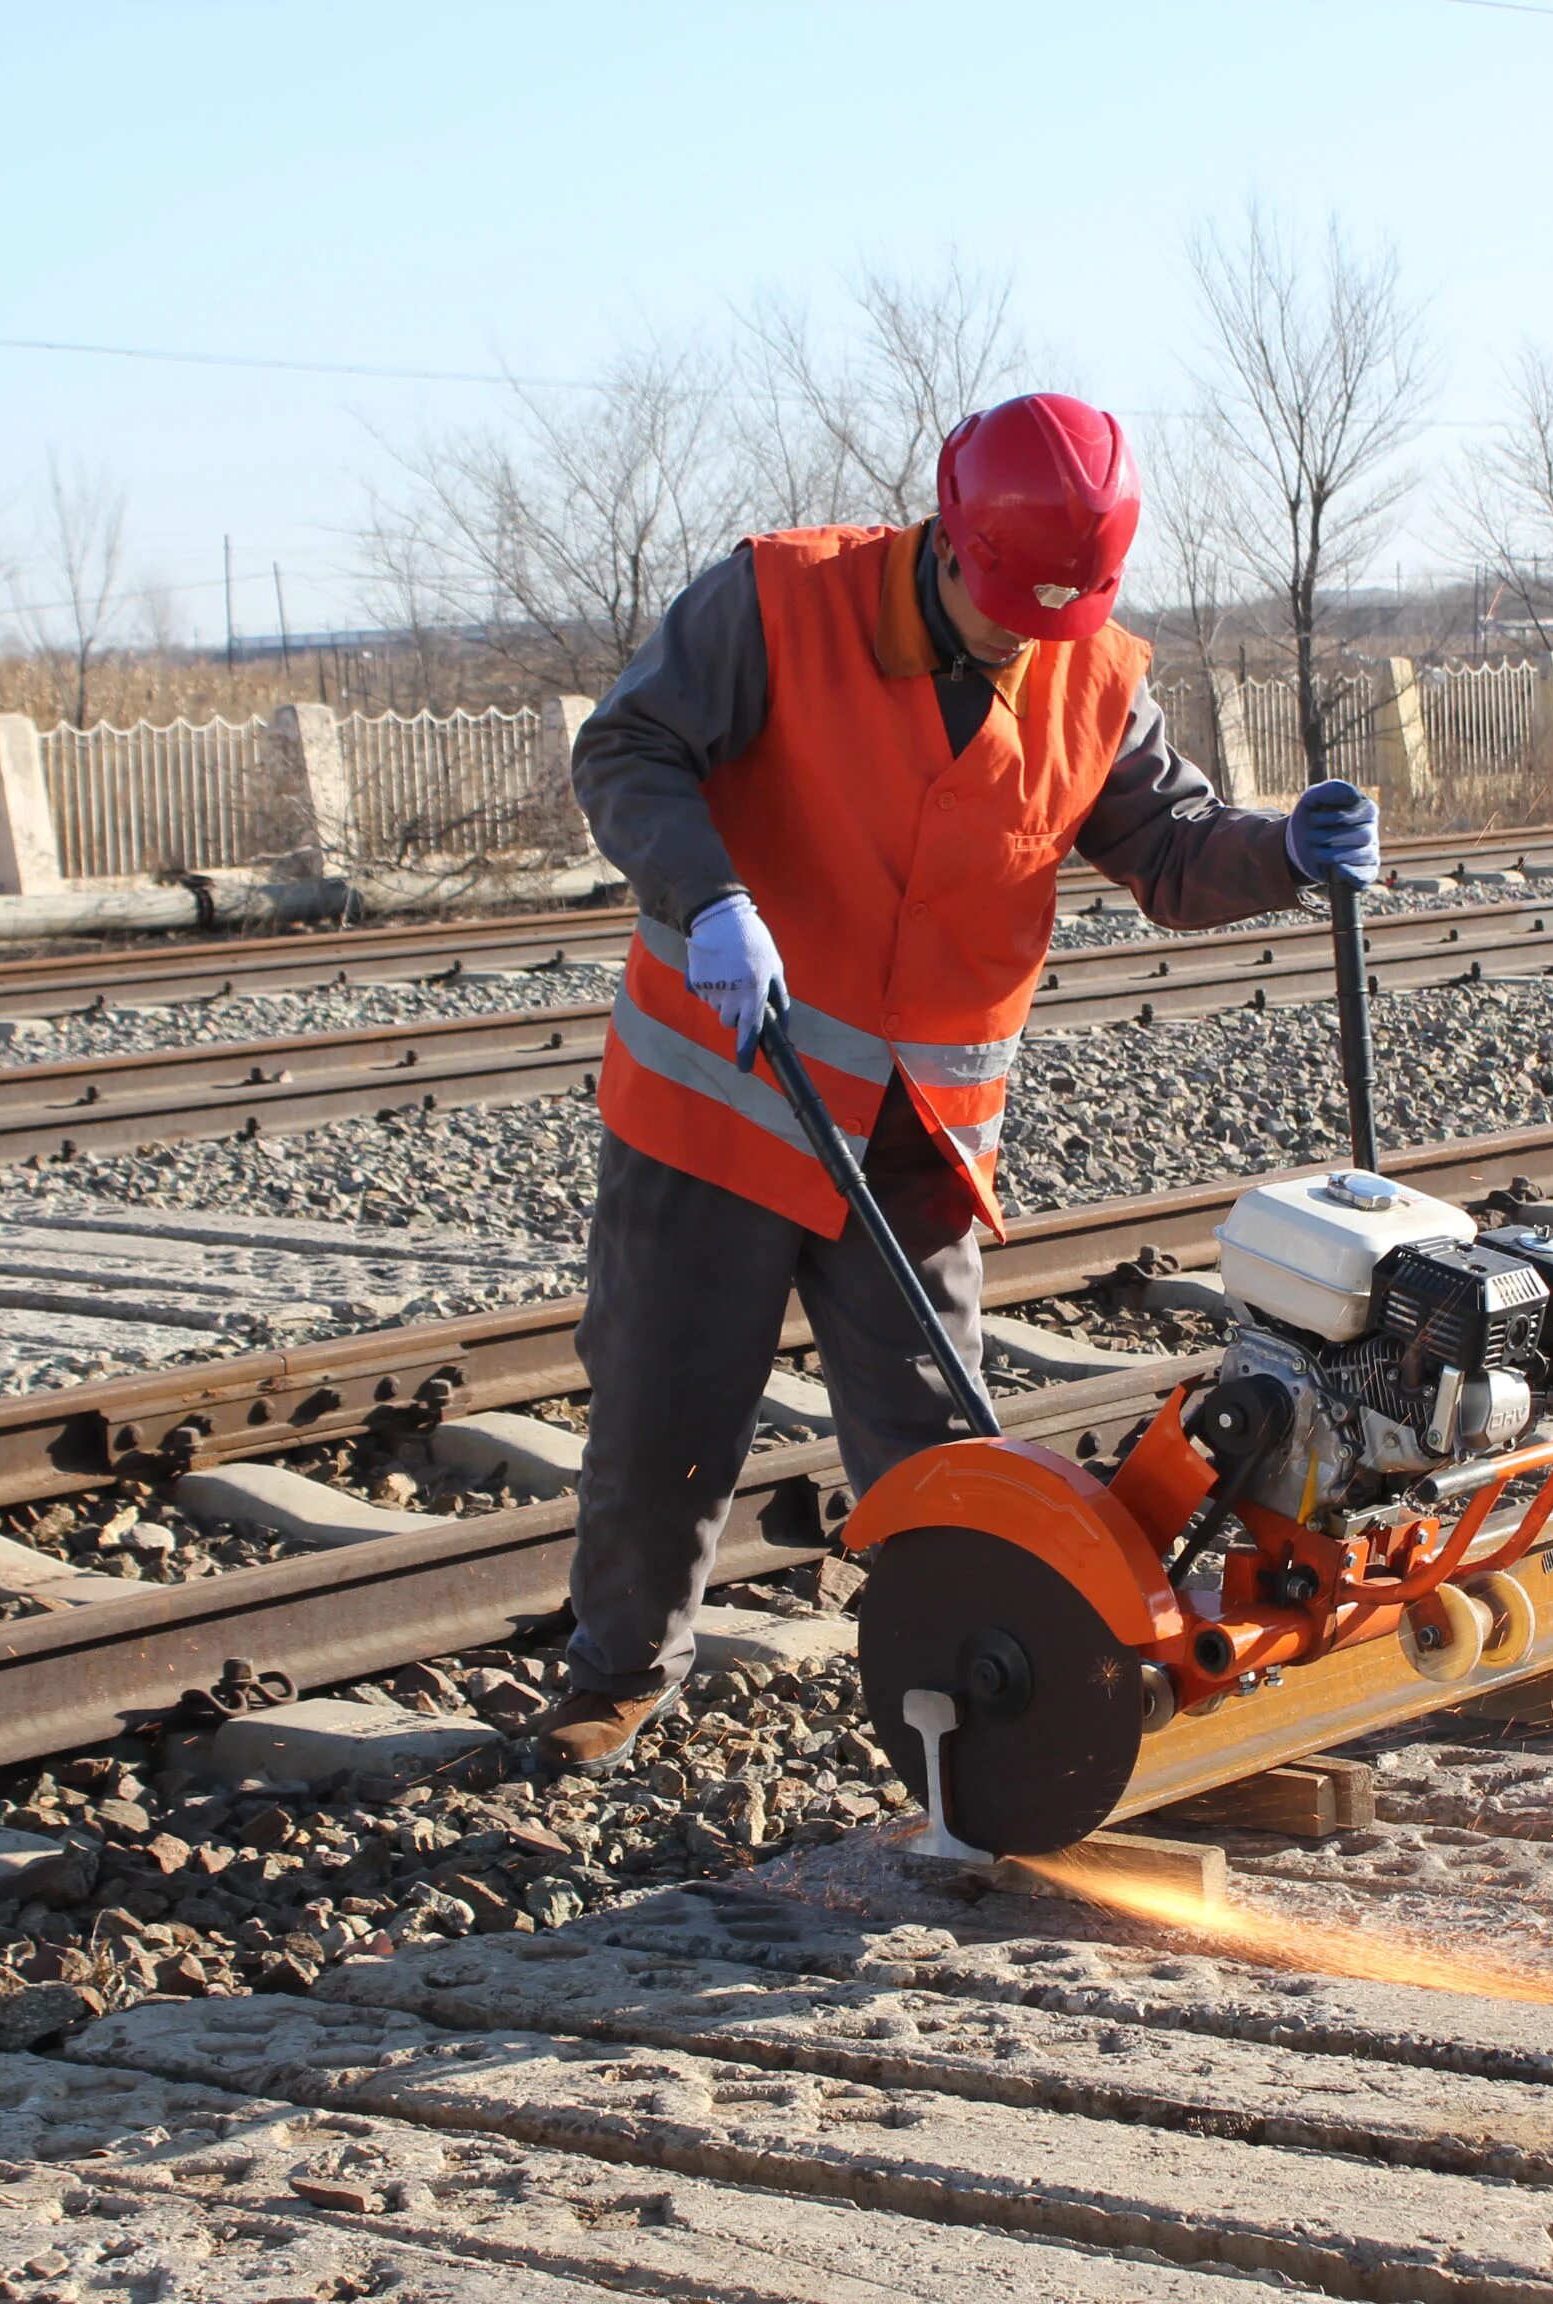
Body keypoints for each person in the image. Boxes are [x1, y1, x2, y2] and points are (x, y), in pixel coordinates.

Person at [531, 391, 1380, 1774]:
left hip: (916, 1143)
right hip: (724, 1106)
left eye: (1059, 616)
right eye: (1008, 608)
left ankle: (978, 1703)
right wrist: (707, 900)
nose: (1027, 643)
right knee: (666, 1422)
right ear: (949, 539)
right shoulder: (775, 602)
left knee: (935, 1446)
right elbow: (625, 748)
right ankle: (614, 1683)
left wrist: (1284, 851)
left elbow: (1166, 847)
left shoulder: (1092, 671)